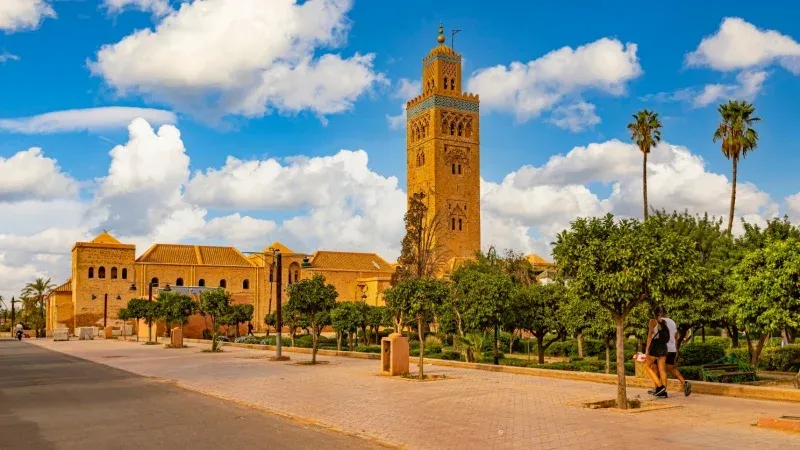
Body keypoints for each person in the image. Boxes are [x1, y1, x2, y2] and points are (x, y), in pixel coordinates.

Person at [657, 309, 692, 397]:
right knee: (672, 368)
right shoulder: (672, 322)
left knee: (659, 368)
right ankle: (684, 383)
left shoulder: (660, 322)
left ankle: (662, 389)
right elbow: (676, 336)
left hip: (662, 349)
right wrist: (675, 347)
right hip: (672, 349)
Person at [644, 306, 670, 398]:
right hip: (664, 347)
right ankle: (664, 392)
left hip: (656, 346)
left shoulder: (652, 321)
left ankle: (659, 387)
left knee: (646, 366)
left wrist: (647, 349)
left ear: (654, 313)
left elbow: (650, 336)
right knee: (662, 369)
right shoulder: (664, 322)